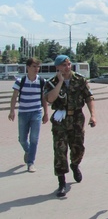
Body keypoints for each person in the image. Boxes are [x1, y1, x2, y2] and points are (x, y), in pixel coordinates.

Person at [45, 55, 97, 197]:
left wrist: (93, 115)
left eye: (68, 64)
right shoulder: (51, 82)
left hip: (76, 118)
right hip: (60, 120)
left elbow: (89, 97)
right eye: (63, 65)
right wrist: (60, 82)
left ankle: (75, 165)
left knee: (78, 147)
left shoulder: (79, 79)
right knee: (59, 150)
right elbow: (50, 99)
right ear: (57, 67)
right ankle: (61, 182)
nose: (67, 67)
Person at [8, 57, 49, 173]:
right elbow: (14, 97)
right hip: (23, 113)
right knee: (22, 139)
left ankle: (31, 162)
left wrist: (46, 113)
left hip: (36, 112)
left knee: (34, 139)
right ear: (28, 67)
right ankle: (28, 151)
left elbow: (44, 98)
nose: (37, 69)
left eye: (38, 67)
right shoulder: (20, 81)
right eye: (34, 66)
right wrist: (12, 111)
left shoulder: (41, 81)